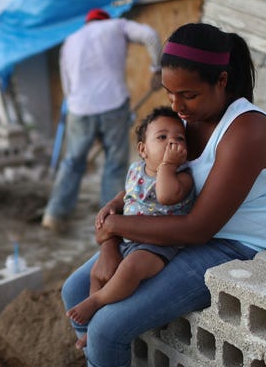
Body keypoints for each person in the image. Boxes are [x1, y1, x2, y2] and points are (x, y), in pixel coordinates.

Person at [61, 22, 266, 366]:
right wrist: (110, 239)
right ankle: (96, 353)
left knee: (109, 329)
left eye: (188, 94)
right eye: (170, 94)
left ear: (222, 81)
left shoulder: (246, 131)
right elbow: (147, 179)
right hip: (177, 227)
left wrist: (118, 228)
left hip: (231, 245)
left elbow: (199, 229)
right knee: (75, 289)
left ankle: (101, 349)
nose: (177, 105)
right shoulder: (187, 121)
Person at [66, 106, 195, 350]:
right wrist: (114, 204)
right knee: (97, 274)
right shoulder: (136, 170)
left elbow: (166, 196)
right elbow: (128, 192)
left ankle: (97, 301)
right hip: (129, 240)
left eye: (179, 138)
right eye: (162, 137)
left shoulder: (182, 177)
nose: (172, 143)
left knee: (130, 269)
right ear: (143, 149)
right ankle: (93, 328)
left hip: (158, 246)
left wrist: (167, 165)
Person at [41, 8, 163, 232]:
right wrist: (157, 69)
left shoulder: (71, 40)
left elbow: (66, 82)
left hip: (79, 108)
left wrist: (77, 105)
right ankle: (109, 221)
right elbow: (150, 35)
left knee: (72, 162)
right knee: (115, 165)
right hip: (113, 105)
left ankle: (54, 215)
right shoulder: (118, 26)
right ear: (106, 19)